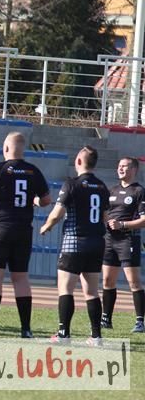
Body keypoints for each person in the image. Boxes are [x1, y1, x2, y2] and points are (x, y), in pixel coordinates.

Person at [0, 132, 51, 338]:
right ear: (23, 149)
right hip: (23, 229)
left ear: (6, 148)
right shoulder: (33, 170)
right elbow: (46, 200)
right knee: (21, 277)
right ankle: (26, 329)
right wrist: (33, 201)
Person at [41, 146, 110, 346]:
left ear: (79, 162)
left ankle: (63, 334)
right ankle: (96, 336)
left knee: (65, 288)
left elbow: (57, 213)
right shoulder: (102, 187)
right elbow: (105, 218)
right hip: (96, 242)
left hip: (74, 241)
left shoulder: (72, 184)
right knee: (92, 291)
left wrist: (46, 226)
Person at [101, 157, 145, 332]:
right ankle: (106, 319)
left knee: (133, 281)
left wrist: (123, 224)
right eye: (119, 166)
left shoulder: (139, 191)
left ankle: (140, 321)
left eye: (124, 166)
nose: (120, 169)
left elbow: (144, 220)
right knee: (107, 280)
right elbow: (105, 213)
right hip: (110, 239)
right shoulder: (112, 190)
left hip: (128, 239)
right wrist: (107, 222)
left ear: (134, 169)